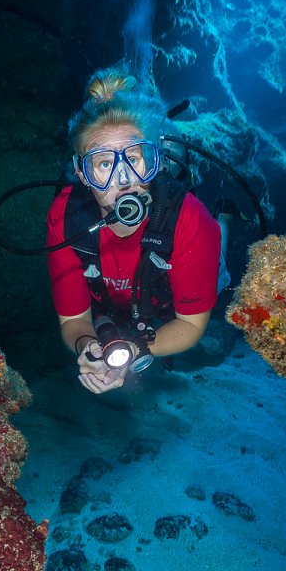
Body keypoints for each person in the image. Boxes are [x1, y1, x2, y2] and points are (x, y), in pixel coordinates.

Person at [46, 66, 225, 394]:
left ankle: (224, 227)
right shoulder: (65, 218)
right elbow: (74, 322)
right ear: (81, 174)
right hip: (111, 300)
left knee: (218, 259)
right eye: (103, 164)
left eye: (133, 158)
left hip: (164, 298)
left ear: (152, 159)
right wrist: (89, 349)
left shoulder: (188, 218)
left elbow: (191, 324)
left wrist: (135, 351)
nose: (124, 179)